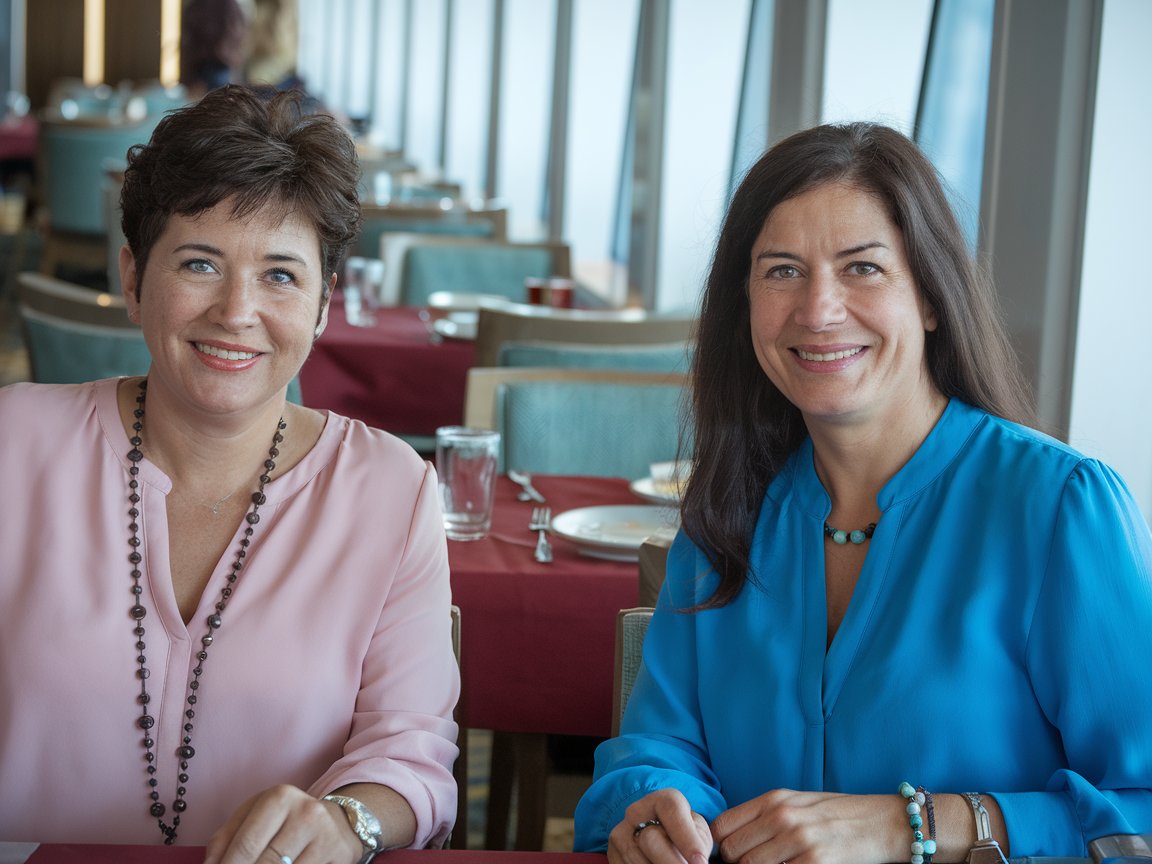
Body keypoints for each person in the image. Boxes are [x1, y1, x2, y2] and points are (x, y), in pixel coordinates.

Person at [573, 122, 1152, 864]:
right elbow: (656, 747)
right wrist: (653, 808)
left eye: (863, 269)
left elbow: (1139, 810)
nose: (817, 311)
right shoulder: (728, 511)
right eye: (782, 270)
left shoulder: (1060, 509)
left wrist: (914, 825)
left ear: (933, 296)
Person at [0, 85, 460, 861]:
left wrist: (350, 822)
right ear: (133, 278)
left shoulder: (391, 488)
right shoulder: (15, 445)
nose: (237, 311)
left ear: (321, 306)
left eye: (281, 274)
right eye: (200, 263)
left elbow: (411, 750)